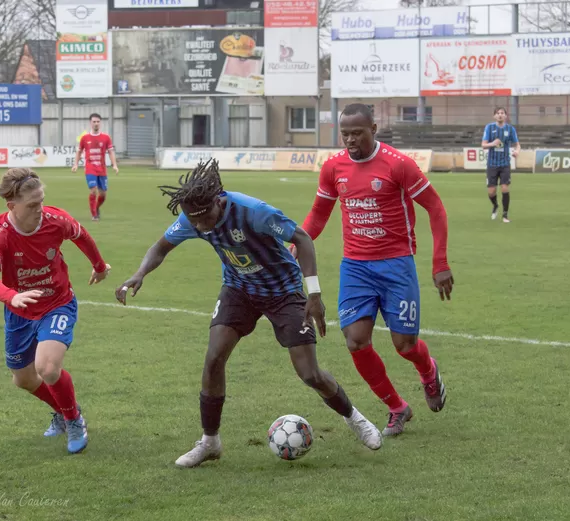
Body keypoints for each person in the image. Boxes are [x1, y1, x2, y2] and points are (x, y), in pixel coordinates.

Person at [116, 159, 383, 468]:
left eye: (204, 219)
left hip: (283, 292)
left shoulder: (253, 212)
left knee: (310, 373)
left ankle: (355, 418)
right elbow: (160, 247)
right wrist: (140, 273)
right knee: (214, 357)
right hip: (239, 289)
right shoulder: (193, 217)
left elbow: (302, 239)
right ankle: (209, 442)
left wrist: (314, 294)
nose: (200, 226)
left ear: (218, 201)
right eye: (193, 220)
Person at [293, 103, 453, 438]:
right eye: (345, 133)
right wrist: (295, 243)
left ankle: (428, 370)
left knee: (405, 345)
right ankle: (397, 407)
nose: (350, 140)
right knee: (355, 341)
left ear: (374, 129)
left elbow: (435, 207)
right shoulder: (333, 168)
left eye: (357, 133)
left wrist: (439, 263)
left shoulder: (399, 165)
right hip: (355, 268)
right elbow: (319, 214)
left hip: (397, 265)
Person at [0, 168, 111, 454]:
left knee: (47, 368)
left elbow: (82, 235)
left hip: (57, 303)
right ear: (12, 206)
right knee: (23, 379)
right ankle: (64, 412)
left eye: (41, 201)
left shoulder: (55, 219)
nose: (41, 209)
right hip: (19, 311)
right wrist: (11, 297)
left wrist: (99, 266)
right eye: (32, 205)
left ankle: (75, 420)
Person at [72, 113, 119, 221]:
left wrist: (114, 165)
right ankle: (94, 215)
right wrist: (75, 164)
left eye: (98, 121)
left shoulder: (106, 137)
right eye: (94, 122)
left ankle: (96, 208)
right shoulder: (85, 138)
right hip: (90, 168)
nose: (96, 123)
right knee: (93, 190)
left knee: (103, 194)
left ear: (100, 123)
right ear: (90, 123)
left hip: (102, 169)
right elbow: (79, 152)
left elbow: (111, 152)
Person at [481, 107, 520, 223]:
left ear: (506, 116)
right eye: (498, 113)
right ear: (494, 116)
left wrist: (517, 151)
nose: (500, 115)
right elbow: (483, 145)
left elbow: (517, 144)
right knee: (491, 191)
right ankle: (495, 205)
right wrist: (493, 143)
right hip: (492, 164)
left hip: (505, 163)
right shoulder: (489, 127)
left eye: (502, 113)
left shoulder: (510, 129)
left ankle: (505, 215)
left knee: (504, 188)